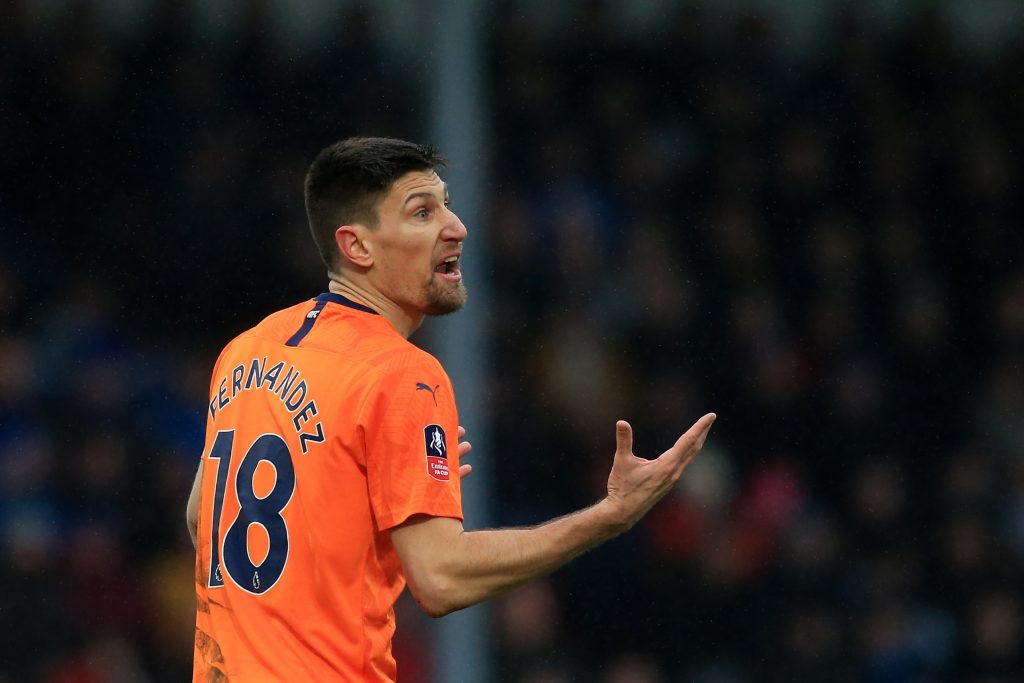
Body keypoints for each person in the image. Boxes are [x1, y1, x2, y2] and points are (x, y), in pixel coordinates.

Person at [186, 136, 716, 682]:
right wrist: (610, 517)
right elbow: (440, 578)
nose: (456, 226)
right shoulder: (400, 372)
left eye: (446, 203)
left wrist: (360, 491)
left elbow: (202, 516)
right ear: (357, 247)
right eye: (422, 212)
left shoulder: (247, 349)